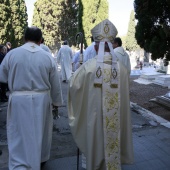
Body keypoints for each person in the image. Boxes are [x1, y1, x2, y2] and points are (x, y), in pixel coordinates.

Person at [68, 19, 134, 170]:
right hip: (116, 122)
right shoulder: (122, 69)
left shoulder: (88, 68)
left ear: (96, 47)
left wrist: (76, 71)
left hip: (94, 121)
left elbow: (73, 88)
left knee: (96, 145)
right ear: (111, 46)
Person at [0, 26, 63, 170]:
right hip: (42, 101)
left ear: (24, 38)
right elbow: (55, 83)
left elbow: (2, 76)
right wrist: (56, 103)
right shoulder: (47, 56)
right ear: (41, 40)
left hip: (18, 101)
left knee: (19, 133)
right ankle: (39, 159)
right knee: (40, 132)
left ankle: (20, 164)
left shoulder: (12, 54)